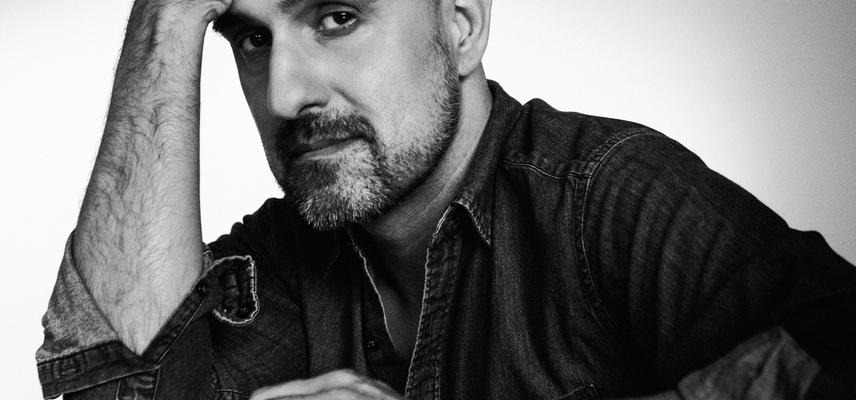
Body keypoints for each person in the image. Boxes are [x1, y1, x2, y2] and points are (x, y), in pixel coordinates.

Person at [36, 0, 856, 398]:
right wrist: (168, 16)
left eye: (335, 16)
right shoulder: (286, 258)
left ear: (461, 25)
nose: (284, 93)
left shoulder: (604, 193)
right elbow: (113, 390)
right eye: (251, 37)